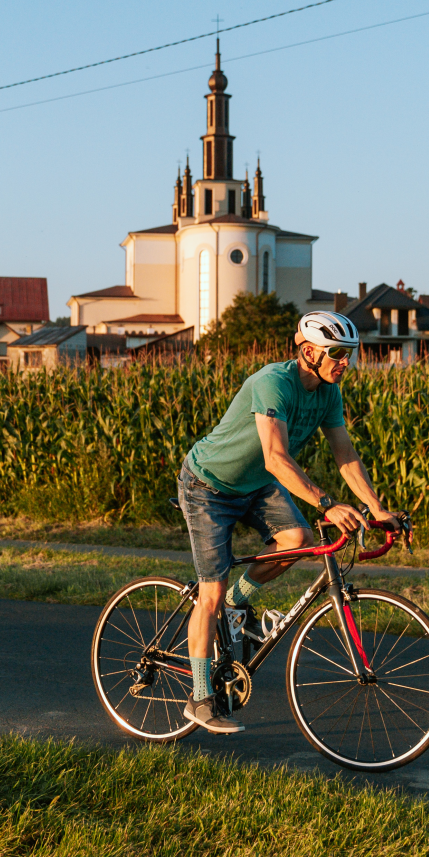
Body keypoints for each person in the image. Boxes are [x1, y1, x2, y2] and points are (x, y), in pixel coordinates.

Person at [176, 309, 402, 733]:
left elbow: (345, 454)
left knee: (296, 538)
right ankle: (201, 697)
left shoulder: (328, 392)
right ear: (308, 351)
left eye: (350, 354)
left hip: (255, 485)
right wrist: (327, 504)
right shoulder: (273, 383)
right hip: (208, 484)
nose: (345, 362)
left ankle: (236, 604)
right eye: (337, 353)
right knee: (211, 589)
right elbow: (276, 459)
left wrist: (376, 508)